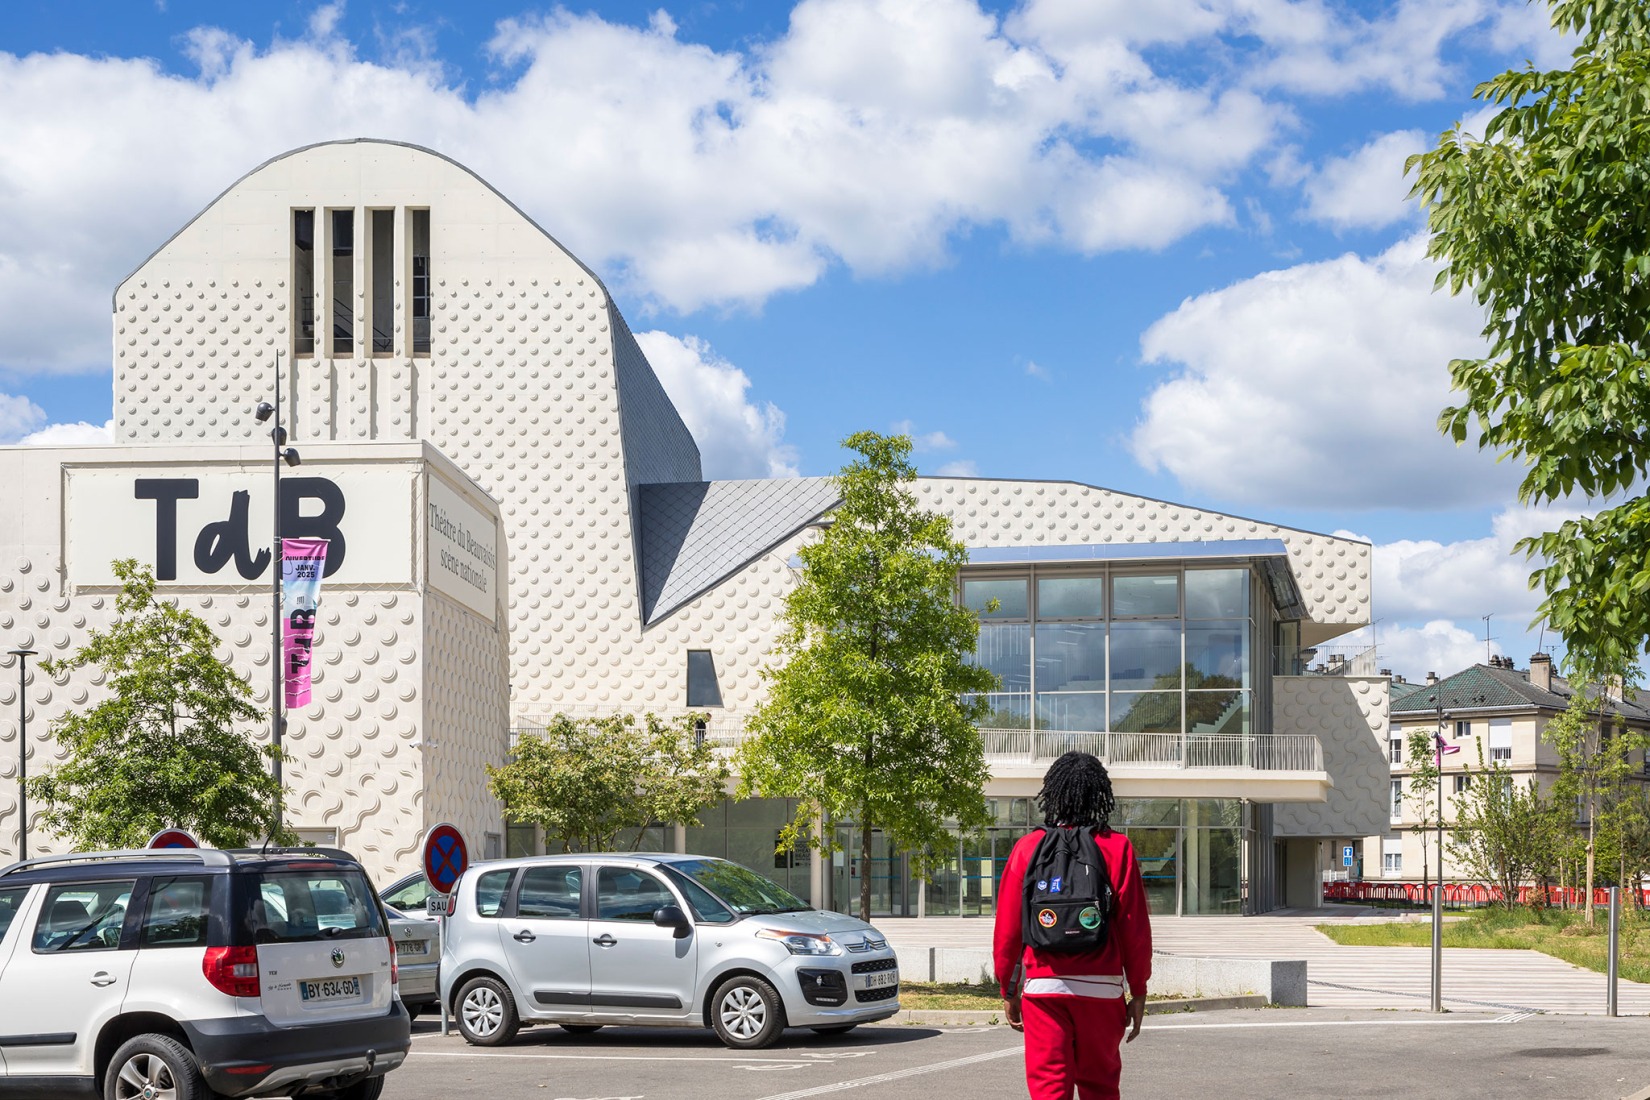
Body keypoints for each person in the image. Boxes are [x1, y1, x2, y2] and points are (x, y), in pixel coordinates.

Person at [992, 751, 1152, 1100]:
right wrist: (1138, 990)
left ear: (1053, 794)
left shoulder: (1027, 848)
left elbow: (1008, 931)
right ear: (1099, 796)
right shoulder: (1118, 848)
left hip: (1044, 989)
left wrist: (1008, 989)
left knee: (1049, 1090)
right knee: (1100, 1087)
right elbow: (1134, 929)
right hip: (1102, 990)